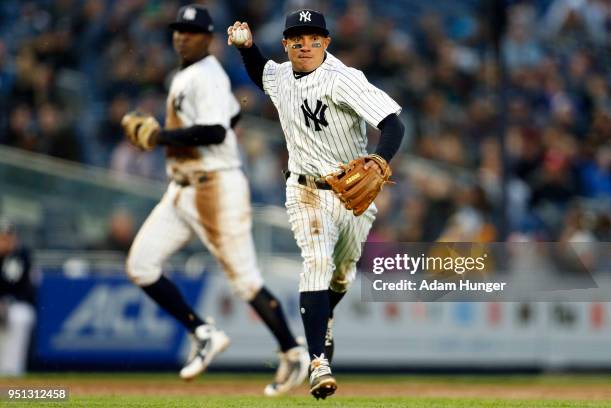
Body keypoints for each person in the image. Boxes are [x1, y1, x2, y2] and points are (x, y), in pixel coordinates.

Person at [122, 5, 308, 396]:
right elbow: (232, 118)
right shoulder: (192, 76)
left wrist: (159, 138)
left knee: (245, 282)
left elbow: (215, 133)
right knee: (141, 265)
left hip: (216, 188)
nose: (181, 36)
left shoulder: (205, 75)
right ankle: (203, 332)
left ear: (207, 38)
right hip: (182, 188)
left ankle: (293, 353)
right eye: (178, 30)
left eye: (191, 31)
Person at [227, 9, 405, 399]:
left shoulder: (343, 79)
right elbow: (262, 75)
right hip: (305, 190)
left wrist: (379, 160)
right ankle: (317, 362)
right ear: (286, 44)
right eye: (296, 39)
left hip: (351, 195)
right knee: (317, 263)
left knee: (341, 275)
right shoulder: (280, 74)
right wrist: (247, 48)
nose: (304, 45)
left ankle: (323, 324)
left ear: (326, 42)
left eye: (313, 38)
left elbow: (393, 122)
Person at [0, 219, 36, 376]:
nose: (5, 241)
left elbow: (13, 285)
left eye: (8, 237)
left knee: (19, 317)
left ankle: (12, 372)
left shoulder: (20, 255)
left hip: (16, 303)